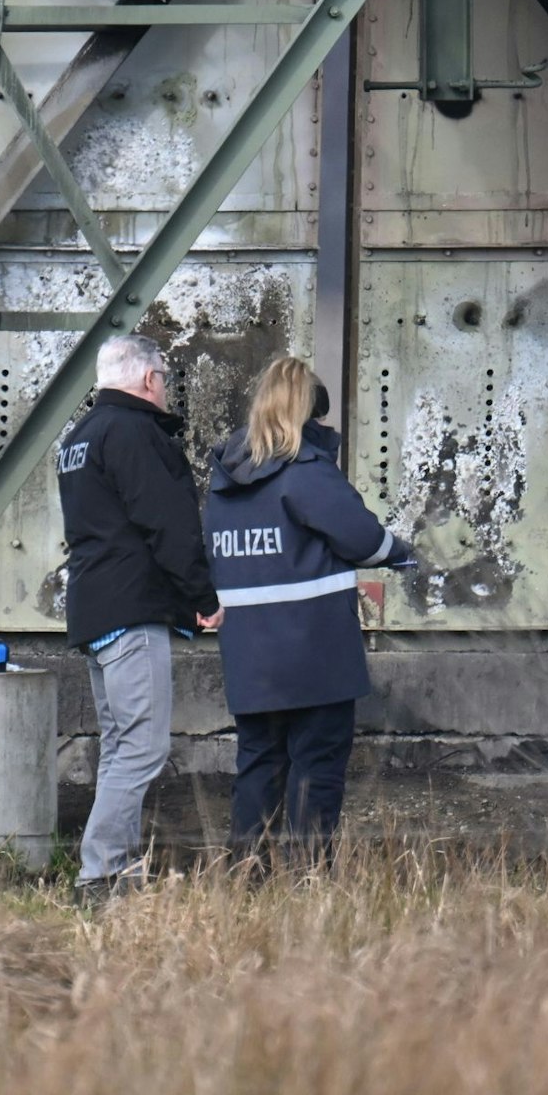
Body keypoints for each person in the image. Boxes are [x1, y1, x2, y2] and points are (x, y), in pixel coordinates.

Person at [203, 357, 413, 865]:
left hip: (250, 657)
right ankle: (305, 879)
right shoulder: (306, 473)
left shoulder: (223, 482)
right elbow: (362, 537)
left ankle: (244, 874)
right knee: (316, 765)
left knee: (258, 764)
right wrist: (405, 552)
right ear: (309, 412)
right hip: (315, 654)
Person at [56, 333, 223, 905]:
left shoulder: (79, 437)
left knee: (121, 744)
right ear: (150, 379)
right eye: (166, 381)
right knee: (142, 748)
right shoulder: (133, 433)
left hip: (96, 609)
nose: (166, 391)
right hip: (131, 610)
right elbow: (168, 522)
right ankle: (101, 876)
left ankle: (115, 875)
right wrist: (202, 596)